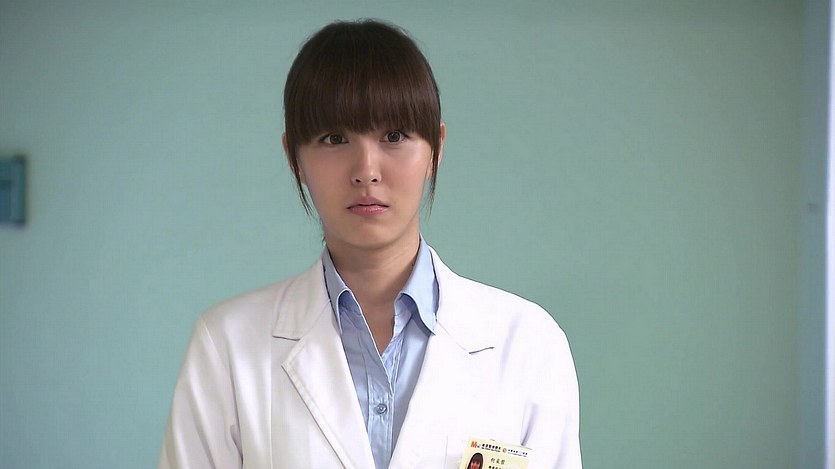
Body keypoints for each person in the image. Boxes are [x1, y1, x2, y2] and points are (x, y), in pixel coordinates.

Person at [159, 19, 581, 469]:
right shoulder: (227, 345)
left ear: (436, 149)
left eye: (394, 136)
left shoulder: (528, 343)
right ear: (294, 158)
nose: (366, 171)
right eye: (335, 139)